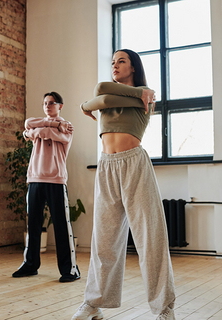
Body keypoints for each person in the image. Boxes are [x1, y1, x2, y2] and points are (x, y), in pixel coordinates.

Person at [72, 49, 176, 320]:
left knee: (150, 237)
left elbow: (94, 100)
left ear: (133, 67)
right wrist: (94, 102)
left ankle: (164, 309)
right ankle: (93, 303)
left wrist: (95, 103)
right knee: (104, 239)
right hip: (106, 165)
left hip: (134, 164)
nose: (115, 65)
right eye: (112, 62)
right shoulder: (127, 96)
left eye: (121, 61)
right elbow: (101, 93)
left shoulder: (147, 96)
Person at [12, 91, 81, 282]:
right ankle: (30, 265)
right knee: (33, 224)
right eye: (45, 103)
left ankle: (70, 270)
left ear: (60, 106)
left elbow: (37, 131)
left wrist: (35, 132)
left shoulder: (67, 127)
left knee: (61, 226)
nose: (48, 106)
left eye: (52, 103)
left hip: (56, 180)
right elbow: (28, 124)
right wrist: (50, 125)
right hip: (34, 179)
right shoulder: (52, 124)